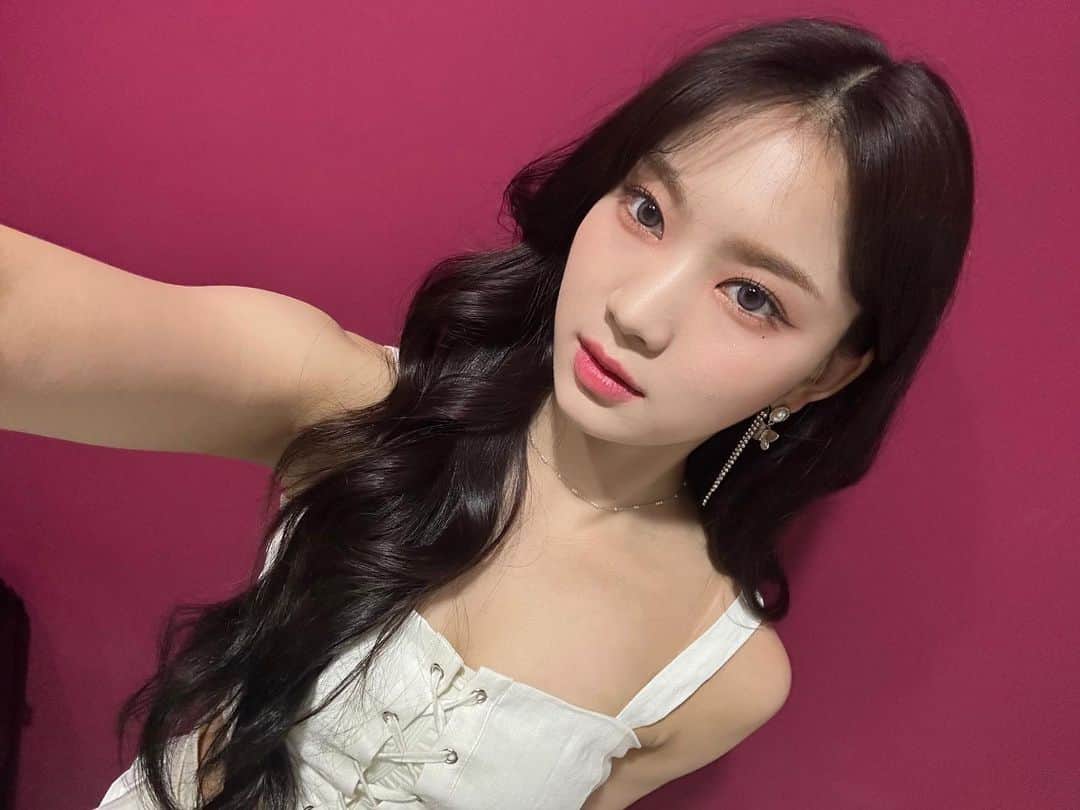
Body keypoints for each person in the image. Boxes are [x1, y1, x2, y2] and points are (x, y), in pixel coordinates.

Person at [0, 15, 974, 810]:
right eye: (646, 210)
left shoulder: (720, 678)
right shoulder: (356, 405)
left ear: (824, 375)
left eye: (753, 296)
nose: (637, 313)